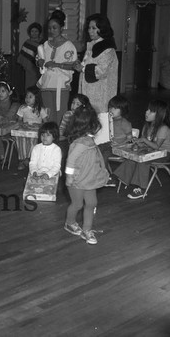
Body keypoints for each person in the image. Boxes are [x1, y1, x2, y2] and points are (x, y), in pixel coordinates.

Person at [64, 104, 110, 245]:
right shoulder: (81, 143)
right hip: (77, 181)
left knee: (91, 203)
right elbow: (70, 160)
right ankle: (69, 223)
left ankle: (87, 229)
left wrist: (102, 171)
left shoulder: (89, 140)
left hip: (90, 179)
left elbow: (96, 157)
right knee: (77, 204)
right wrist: (69, 177)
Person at [113, 99, 170, 200]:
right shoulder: (147, 126)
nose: (146, 112)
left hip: (164, 154)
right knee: (133, 158)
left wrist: (144, 140)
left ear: (159, 114)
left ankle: (141, 188)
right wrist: (137, 143)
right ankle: (117, 178)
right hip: (151, 151)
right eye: (147, 110)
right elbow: (144, 142)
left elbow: (157, 146)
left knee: (143, 161)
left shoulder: (163, 128)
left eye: (151, 111)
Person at [74, 13, 118, 144]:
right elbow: (87, 65)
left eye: (94, 28)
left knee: (100, 126)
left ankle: (100, 152)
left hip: (101, 93)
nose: (90, 31)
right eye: (89, 28)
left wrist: (82, 68)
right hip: (88, 90)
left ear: (102, 29)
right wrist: (79, 65)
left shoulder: (107, 49)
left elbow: (100, 71)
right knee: (87, 121)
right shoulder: (91, 46)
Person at [36, 10, 77, 124]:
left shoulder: (69, 46)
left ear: (61, 28)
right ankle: (49, 135)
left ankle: (61, 136)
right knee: (47, 111)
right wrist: (39, 61)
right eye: (49, 28)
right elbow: (39, 59)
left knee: (61, 112)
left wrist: (56, 65)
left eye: (55, 28)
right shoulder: (45, 45)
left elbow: (73, 66)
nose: (51, 31)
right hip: (47, 83)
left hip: (60, 85)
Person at [99, 95, 133, 183]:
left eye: (115, 108)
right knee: (96, 151)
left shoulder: (125, 123)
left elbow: (130, 140)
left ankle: (105, 176)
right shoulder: (107, 120)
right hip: (107, 145)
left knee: (103, 155)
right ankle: (99, 174)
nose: (111, 110)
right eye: (110, 107)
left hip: (118, 148)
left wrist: (119, 144)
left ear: (123, 110)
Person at [15, 86, 49, 170]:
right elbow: (19, 121)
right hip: (25, 131)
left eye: (30, 97)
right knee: (20, 139)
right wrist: (23, 124)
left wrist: (38, 125)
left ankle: (30, 159)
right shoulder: (23, 108)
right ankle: (22, 159)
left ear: (36, 98)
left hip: (35, 132)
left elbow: (46, 122)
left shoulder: (41, 109)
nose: (27, 99)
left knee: (33, 141)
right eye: (26, 96)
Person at [17, 22, 43, 88]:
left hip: (39, 69)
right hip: (28, 69)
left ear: (39, 32)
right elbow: (22, 56)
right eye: (32, 31)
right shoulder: (27, 42)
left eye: (36, 31)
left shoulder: (43, 43)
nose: (34, 33)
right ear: (29, 32)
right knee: (29, 85)